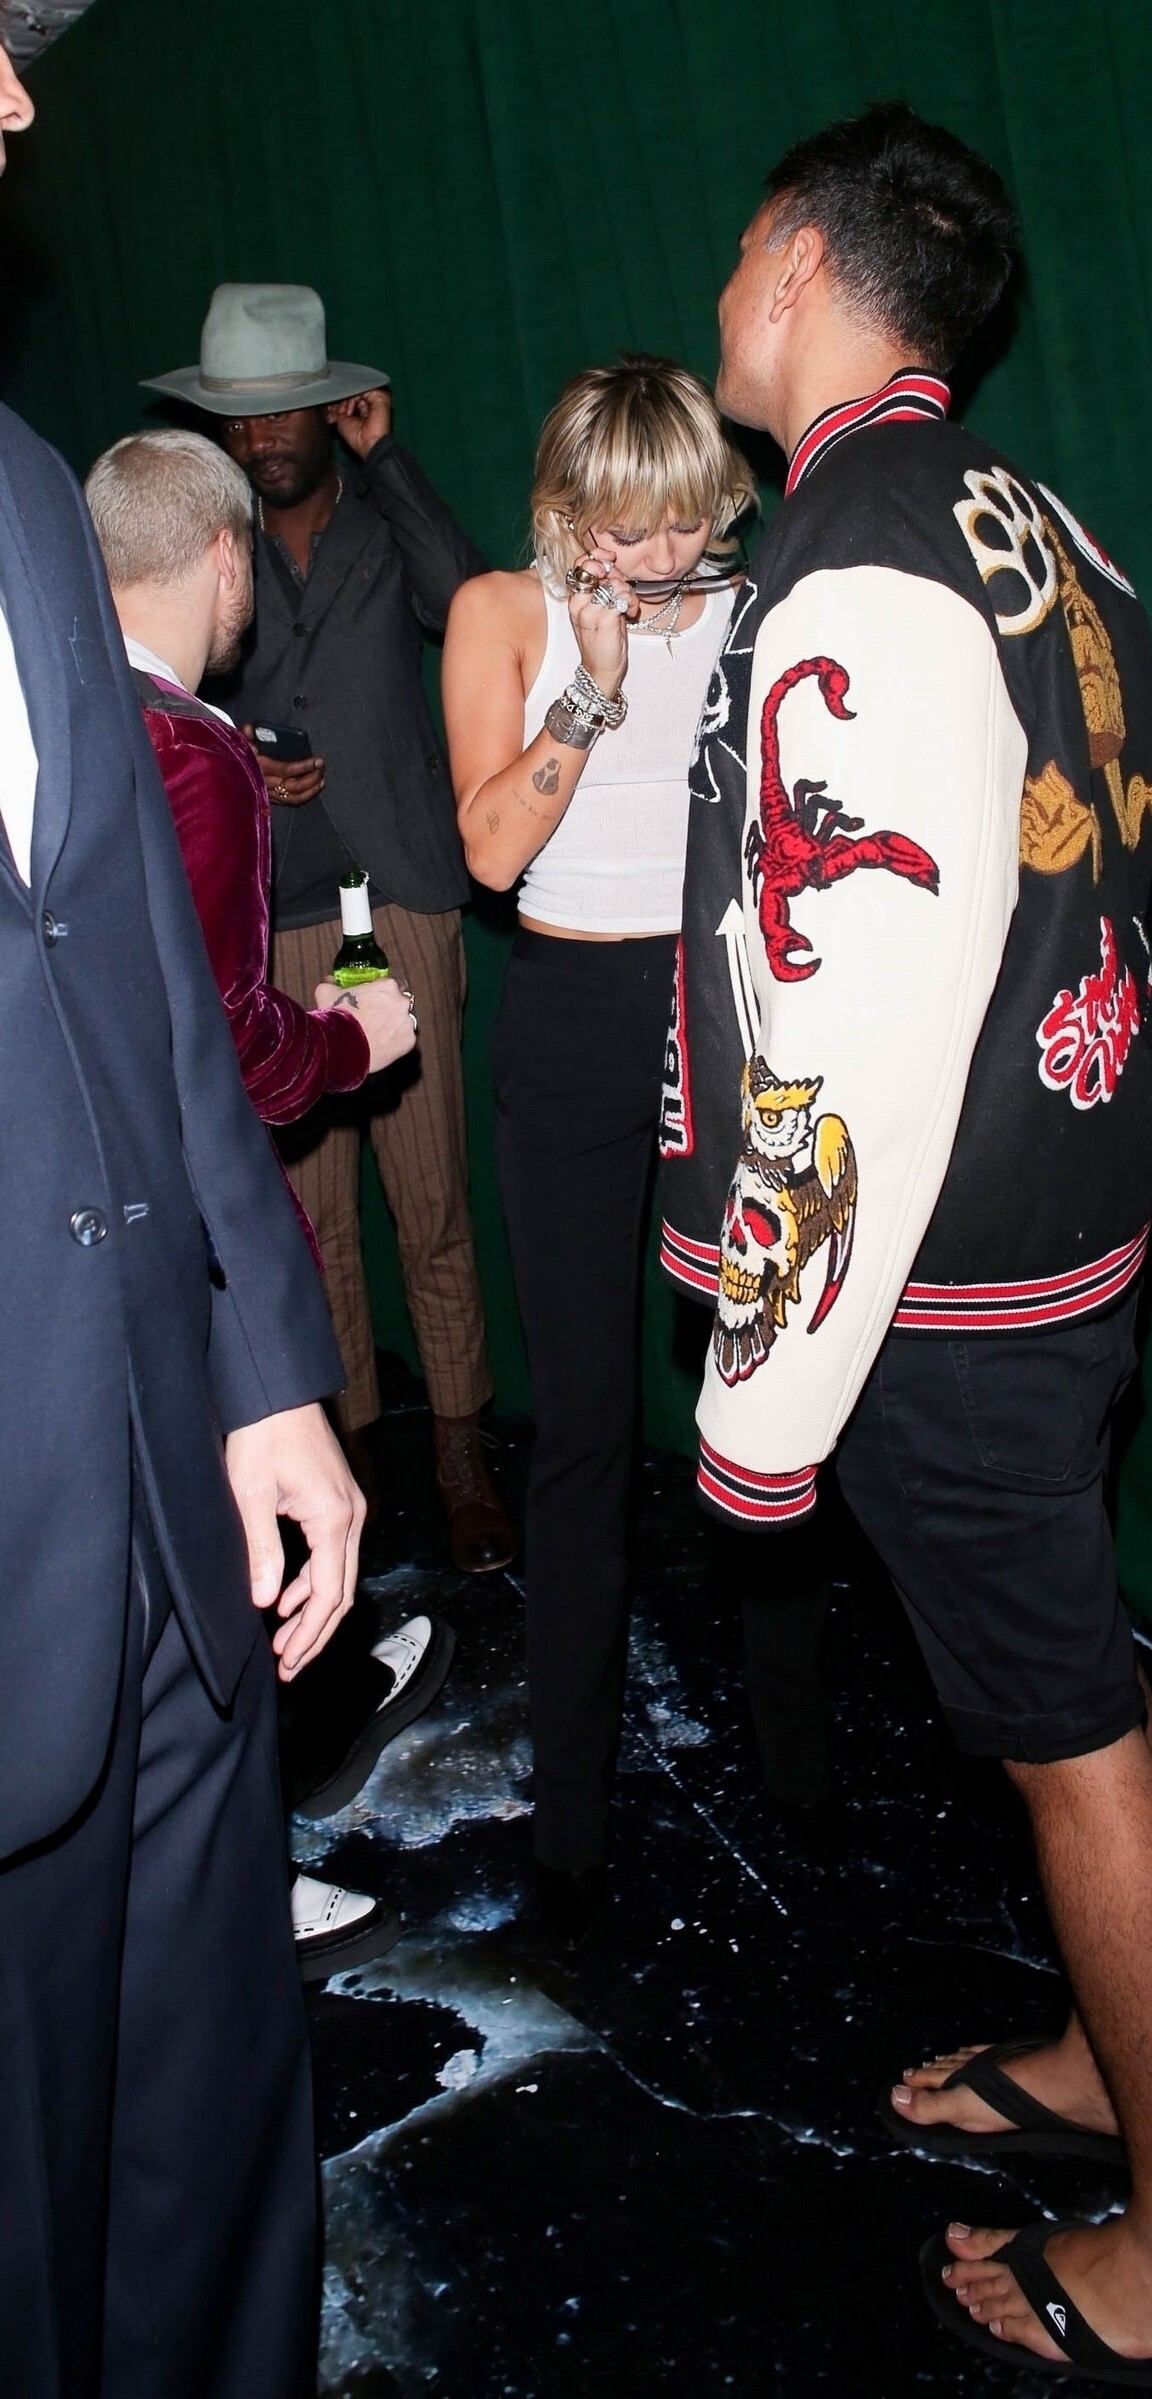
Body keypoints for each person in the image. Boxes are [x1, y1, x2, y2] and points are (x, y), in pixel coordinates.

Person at [660, 105, 1152, 2389]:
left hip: (943, 1281)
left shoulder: (856, 555)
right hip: (1066, 1213)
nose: (722, 294)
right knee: (1057, 1690)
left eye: (741, 253)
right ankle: (1103, 2058)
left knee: (1067, 1739)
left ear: (801, 264)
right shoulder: (1039, 525)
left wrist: (759, 1400)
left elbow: (856, 1021)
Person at [0, 47, 361, 2399]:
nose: (19, 110)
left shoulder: (26, 489)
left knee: (208, 2160)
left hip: (162, 1514)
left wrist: (262, 1372)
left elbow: (125, 960)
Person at [86, 425, 457, 1982]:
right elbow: (225, 1054)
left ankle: (302, 1732)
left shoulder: (65, 719)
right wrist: (355, 1039)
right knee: (219, 1547)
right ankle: (244, 1875)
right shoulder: (192, 753)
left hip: (71, 1243)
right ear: (225, 555)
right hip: (170, 1241)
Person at [442, 358, 774, 1931]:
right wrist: (592, 683)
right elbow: (489, 856)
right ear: (566, 511)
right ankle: (571, 1809)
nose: (656, 557)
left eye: (684, 521)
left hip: (726, 1008)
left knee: (764, 1389)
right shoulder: (500, 613)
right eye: (623, 528)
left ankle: (798, 1755)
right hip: (573, 1014)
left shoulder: (755, 609)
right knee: (582, 1419)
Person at [142, 284, 514, 1572]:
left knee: (433, 1199)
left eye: (280, 415)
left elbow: (467, 603)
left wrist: (388, 458)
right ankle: (346, 1456)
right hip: (272, 913)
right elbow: (163, 683)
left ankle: (460, 1451)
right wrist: (235, 758)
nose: (260, 442)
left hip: (401, 893)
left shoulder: (377, 516)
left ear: (324, 408)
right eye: (236, 423)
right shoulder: (208, 549)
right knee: (310, 1221)